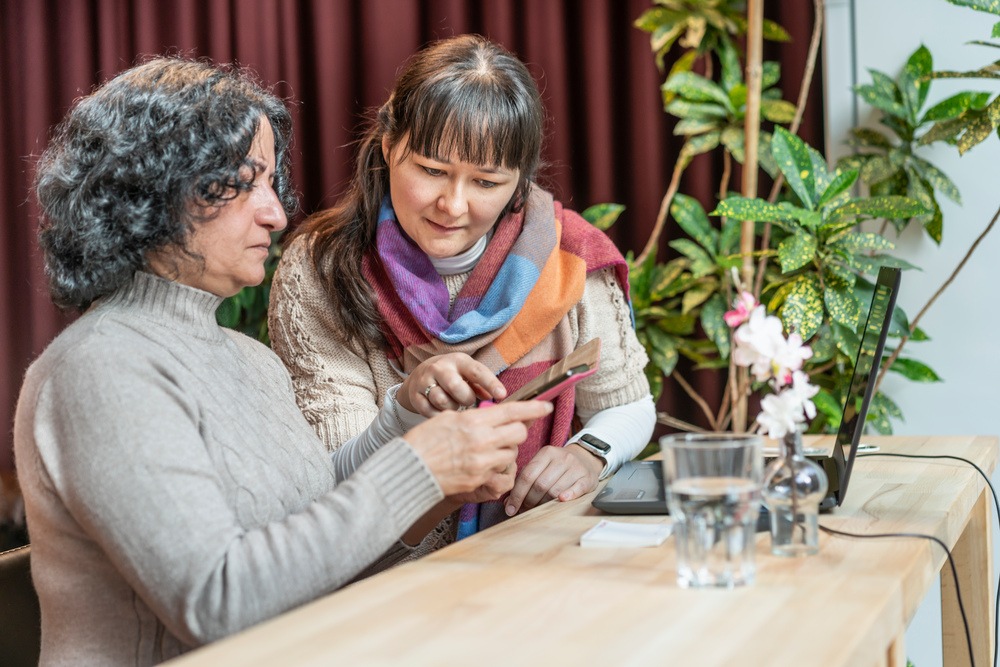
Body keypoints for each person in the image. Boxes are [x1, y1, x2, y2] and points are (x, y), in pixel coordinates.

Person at [13, 57, 552, 666]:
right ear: (153, 190)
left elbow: (312, 559)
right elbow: (218, 603)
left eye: (272, 182)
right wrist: (419, 468)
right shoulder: (100, 369)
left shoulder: (250, 359)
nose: (275, 212)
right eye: (244, 183)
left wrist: (429, 470)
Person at [269, 34, 656, 548]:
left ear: (519, 181)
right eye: (431, 171)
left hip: (537, 555)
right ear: (389, 147)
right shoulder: (320, 269)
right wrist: (406, 407)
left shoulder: (569, 259)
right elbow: (331, 477)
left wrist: (587, 454)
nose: (452, 205)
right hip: (385, 579)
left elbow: (629, 404)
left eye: (486, 182)